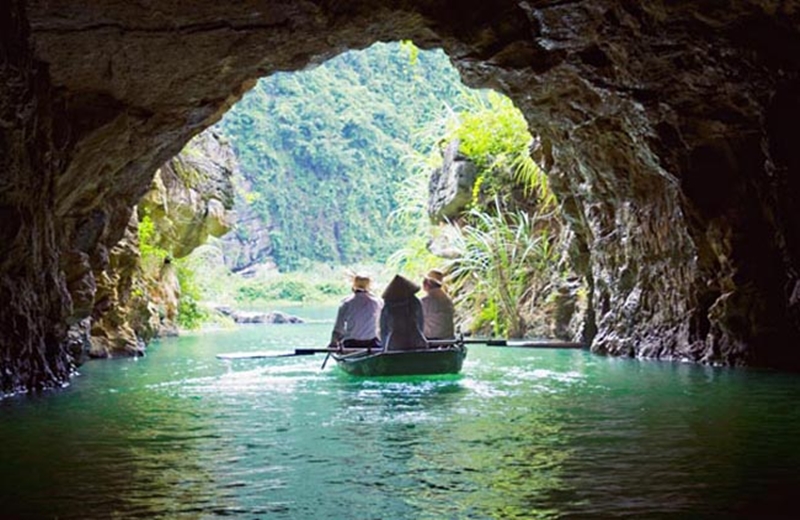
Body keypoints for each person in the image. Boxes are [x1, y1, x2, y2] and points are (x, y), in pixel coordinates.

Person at [329, 274, 382, 349]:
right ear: (370, 285)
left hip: (351, 344)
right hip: (372, 343)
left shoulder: (346, 303)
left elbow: (338, 328)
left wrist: (333, 343)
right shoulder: (378, 303)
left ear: (354, 284)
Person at [379, 274, 427, 351]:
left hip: (394, 343)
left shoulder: (388, 305)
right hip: (416, 341)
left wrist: (384, 347)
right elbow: (420, 323)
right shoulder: (415, 302)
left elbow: (384, 329)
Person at [420, 268, 455, 340]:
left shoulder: (425, 301)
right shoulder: (447, 299)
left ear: (427, 284)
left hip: (431, 339)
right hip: (448, 338)